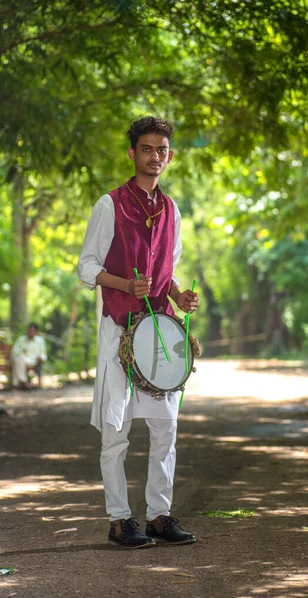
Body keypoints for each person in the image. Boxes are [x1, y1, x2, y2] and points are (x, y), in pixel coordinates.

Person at [78, 116, 199, 549]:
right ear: (132, 153)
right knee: (118, 432)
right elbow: (87, 268)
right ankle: (118, 519)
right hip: (120, 331)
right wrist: (126, 285)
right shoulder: (110, 204)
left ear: (169, 155)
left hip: (157, 334)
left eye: (162, 150)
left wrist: (180, 296)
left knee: (166, 428)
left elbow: (166, 274)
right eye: (147, 149)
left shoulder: (171, 210)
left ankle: (159, 516)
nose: (155, 156)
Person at [11, 323, 47, 390]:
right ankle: (24, 381)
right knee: (18, 360)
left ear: (36, 332)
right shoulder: (21, 339)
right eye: (29, 330)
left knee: (17, 362)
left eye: (32, 331)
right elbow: (14, 352)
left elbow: (43, 354)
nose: (30, 332)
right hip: (21, 360)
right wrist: (22, 351)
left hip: (33, 361)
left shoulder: (40, 341)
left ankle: (16, 385)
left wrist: (41, 358)